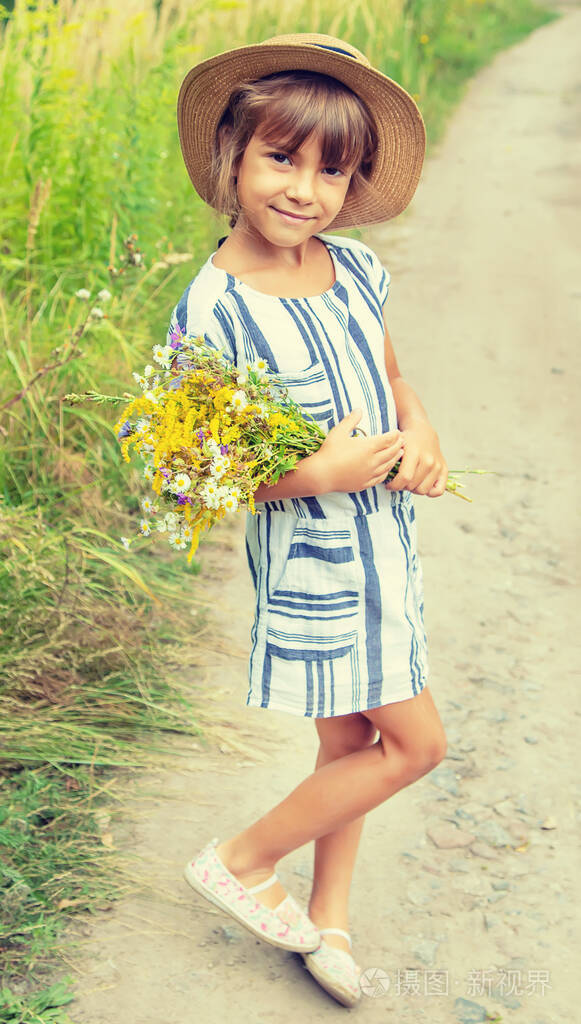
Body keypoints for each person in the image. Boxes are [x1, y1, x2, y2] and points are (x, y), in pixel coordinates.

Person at [172, 34, 448, 1008]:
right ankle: (243, 859)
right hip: (315, 563)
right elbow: (192, 470)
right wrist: (315, 471)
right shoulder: (215, 308)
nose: (304, 190)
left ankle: (328, 918)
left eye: (332, 170)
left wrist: (418, 433)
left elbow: (393, 376)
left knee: (346, 750)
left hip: (384, 548)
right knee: (414, 745)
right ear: (232, 159)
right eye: (280, 159)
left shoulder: (354, 269)